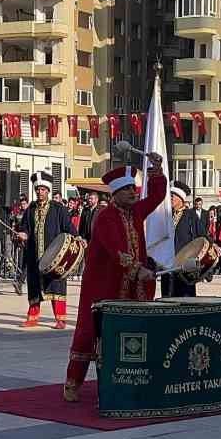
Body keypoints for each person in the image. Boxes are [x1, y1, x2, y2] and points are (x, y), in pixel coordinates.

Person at [65, 155, 166, 402]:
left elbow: (155, 197)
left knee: (134, 330)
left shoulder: (135, 212)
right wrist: (138, 268)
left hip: (132, 284)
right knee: (91, 332)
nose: (134, 192)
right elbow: (116, 249)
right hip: (103, 284)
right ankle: (72, 382)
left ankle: (132, 378)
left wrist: (156, 171)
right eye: (128, 189)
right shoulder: (105, 217)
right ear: (116, 193)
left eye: (134, 187)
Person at [17, 173, 71, 327]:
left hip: (55, 256)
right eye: (38, 190)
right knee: (34, 286)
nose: (40, 192)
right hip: (34, 255)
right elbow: (25, 227)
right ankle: (33, 317)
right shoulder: (30, 209)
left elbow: (69, 228)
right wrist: (23, 234)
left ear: (48, 191)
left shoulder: (58, 209)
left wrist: (78, 239)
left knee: (56, 285)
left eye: (42, 189)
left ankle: (60, 319)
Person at [161, 180, 206, 298]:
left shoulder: (190, 215)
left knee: (184, 296)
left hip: (185, 264)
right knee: (167, 295)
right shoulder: (167, 215)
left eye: (172, 196)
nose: (170, 199)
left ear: (180, 198)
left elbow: (202, 236)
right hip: (167, 263)